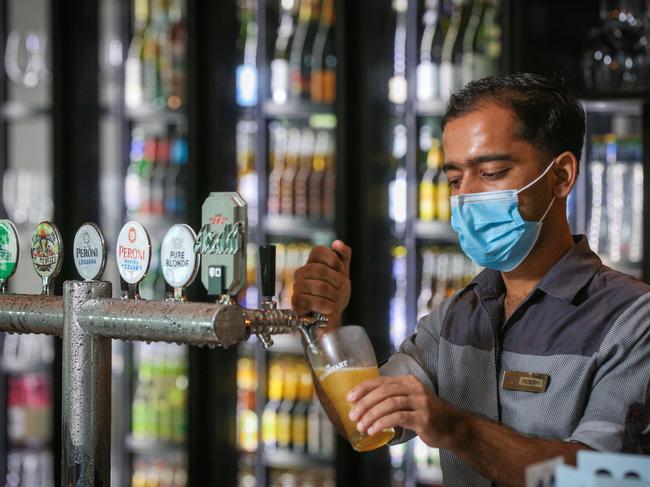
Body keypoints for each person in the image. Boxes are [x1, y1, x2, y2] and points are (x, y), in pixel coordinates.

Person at [291, 73, 650, 487]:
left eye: (492, 172)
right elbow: (366, 423)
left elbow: (606, 479)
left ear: (561, 176)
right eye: (455, 180)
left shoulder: (631, 321)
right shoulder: (458, 315)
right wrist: (322, 325)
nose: (468, 197)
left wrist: (456, 429)